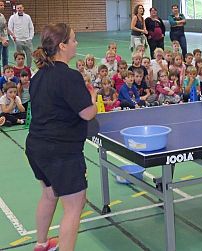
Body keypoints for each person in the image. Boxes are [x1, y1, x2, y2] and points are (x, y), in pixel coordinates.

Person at [27, 23, 97, 251]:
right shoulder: (69, 76)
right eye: (74, 39)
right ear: (62, 45)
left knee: (49, 194)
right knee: (75, 205)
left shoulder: (38, 76)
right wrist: (93, 98)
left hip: (36, 148)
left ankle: (41, 244)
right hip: (61, 151)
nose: (77, 43)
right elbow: (87, 114)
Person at [8, 3, 34, 68]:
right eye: (18, 8)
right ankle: (20, 68)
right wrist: (14, 39)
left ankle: (29, 69)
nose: (19, 9)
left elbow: (31, 27)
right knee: (19, 57)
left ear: (23, 8)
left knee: (30, 56)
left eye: (20, 8)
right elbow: (9, 28)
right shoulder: (12, 17)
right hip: (18, 41)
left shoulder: (28, 17)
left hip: (27, 40)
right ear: (16, 9)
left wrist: (30, 38)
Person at [0, 0, 13, 72]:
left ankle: (6, 72)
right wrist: (2, 40)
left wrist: (12, 34)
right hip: (1, 40)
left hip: (5, 39)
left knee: (5, 57)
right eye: (0, 5)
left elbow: (5, 27)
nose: (2, 7)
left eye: (3, 5)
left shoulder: (2, 15)